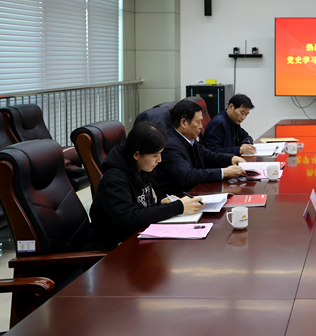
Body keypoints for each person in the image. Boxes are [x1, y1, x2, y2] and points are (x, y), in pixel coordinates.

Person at [84, 122, 203, 251]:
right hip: (110, 252)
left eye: (161, 154)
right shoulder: (114, 180)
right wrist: (178, 207)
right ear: (136, 155)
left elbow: (140, 205)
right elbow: (131, 218)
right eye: (155, 155)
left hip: (135, 240)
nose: (160, 160)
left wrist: (160, 203)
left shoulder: (140, 168)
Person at [153, 99, 246, 198]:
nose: (201, 126)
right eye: (198, 122)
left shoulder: (187, 138)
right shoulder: (170, 146)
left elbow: (207, 156)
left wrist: (231, 158)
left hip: (194, 192)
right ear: (183, 123)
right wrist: (224, 172)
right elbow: (187, 176)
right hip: (178, 199)